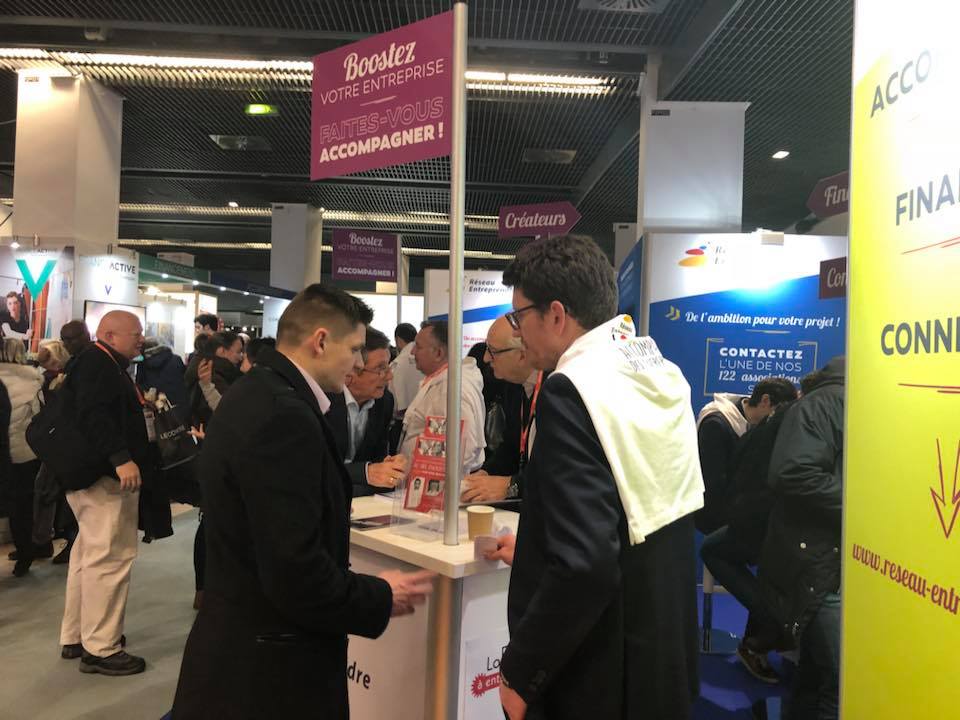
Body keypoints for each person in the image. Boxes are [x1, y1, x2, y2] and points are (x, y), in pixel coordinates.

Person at [172, 284, 435, 719]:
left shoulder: (257, 392)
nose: (357, 364)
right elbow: (294, 570)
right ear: (320, 341)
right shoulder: (284, 415)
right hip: (270, 672)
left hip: (244, 651)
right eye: (354, 349)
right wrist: (379, 595)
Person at [485, 235, 703, 720]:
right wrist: (538, 547)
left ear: (556, 315)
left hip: (600, 670)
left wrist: (522, 672)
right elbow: (631, 505)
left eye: (520, 317)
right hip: (661, 648)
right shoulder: (658, 370)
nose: (518, 333)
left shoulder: (573, 389)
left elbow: (585, 565)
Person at [59, 310, 151, 675]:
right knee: (110, 558)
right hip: (104, 479)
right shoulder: (99, 364)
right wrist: (121, 459)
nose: (141, 339)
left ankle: (77, 636)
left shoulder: (95, 362)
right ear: (110, 336)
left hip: (90, 476)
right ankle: (101, 647)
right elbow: (94, 415)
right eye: (135, 333)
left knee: (88, 555)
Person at [759, 357, 845, 719]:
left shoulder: (824, 402)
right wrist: (866, 506)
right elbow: (793, 472)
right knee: (840, 684)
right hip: (818, 562)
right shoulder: (827, 404)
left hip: (822, 558)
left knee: (815, 675)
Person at [700, 377, 798, 683]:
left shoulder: (757, 424)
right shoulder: (717, 423)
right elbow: (715, 487)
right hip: (720, 513)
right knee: (726, 551)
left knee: (768, 561)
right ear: (766, 401)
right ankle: (770, 630)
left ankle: (763, 638)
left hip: (749, 512)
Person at [696, 379, 797, 535]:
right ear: (765, 400)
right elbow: (713, 483)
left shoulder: (754, 426)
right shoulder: (716, 424)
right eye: (778, 411)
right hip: (720, 519)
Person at [462, 316, 541, 503]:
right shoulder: (512, 386)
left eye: (493, 351)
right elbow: (511, 447)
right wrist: (484, 474)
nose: (485, 358)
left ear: (522, 354)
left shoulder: (556, 389)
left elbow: (560, 469)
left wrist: (512, 485)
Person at [326, 327, 406, 497]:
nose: (389, 376)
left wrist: (390, 465)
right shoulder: (323, 401)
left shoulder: (384, 402)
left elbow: (377, 457)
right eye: (380, 369)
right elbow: (316, 466)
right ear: (351, 372)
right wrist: (366, 472)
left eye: (389, 367)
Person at [400, 320, 486, 474]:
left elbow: (463, 448)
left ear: (438, 353)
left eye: (418, 347)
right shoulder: (444, 383)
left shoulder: (451, 389)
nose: (412, 352)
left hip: (441, 484)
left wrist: (416, 462)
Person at [0, 338, 43, 576]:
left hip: (4, 451)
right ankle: (25, 551)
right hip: (25, 452)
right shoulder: (32, 380)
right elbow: (38, 416)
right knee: (23, 505)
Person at [388, 322, 423, 452]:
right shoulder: (424, 363)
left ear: (398, 339)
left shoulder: (397, 364)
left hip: (401, 423)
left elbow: (394, 403)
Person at [137, 337, 188, 408]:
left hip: (158, 405)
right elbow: (185, 380)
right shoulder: (176, 359)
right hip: (180, 403)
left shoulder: (143, 364)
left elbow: (140, 385)